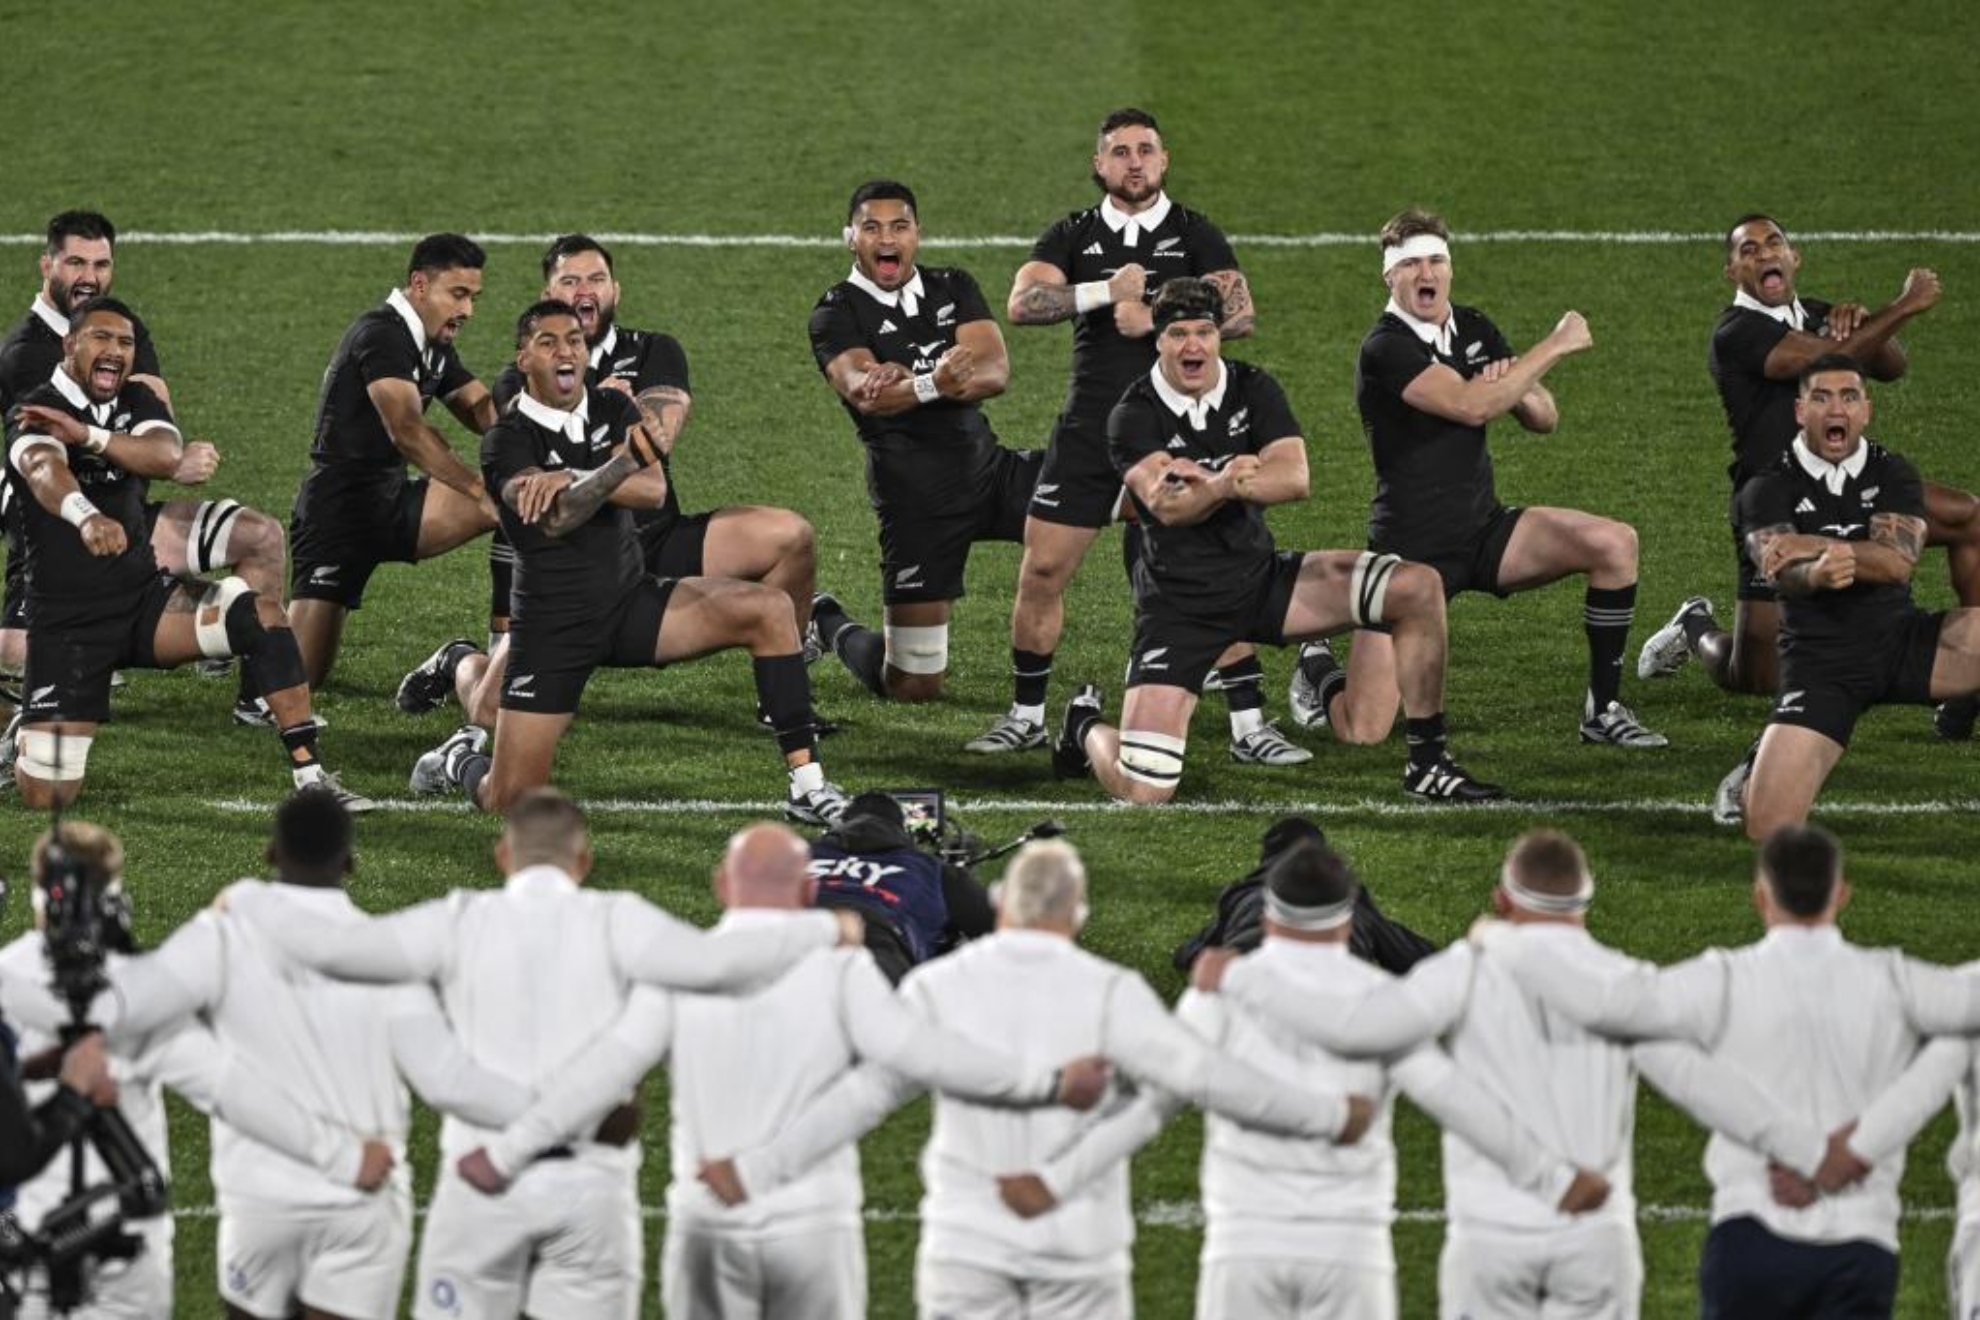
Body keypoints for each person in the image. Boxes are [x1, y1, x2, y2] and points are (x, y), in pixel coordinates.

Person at [230, 795, 867, 1320]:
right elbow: (718, 965)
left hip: (479, 1183)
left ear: (503, 855)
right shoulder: (621, 920)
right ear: (584, 860)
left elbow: (337, 952)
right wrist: (825, 928)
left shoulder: (458, 919)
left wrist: (250, 900)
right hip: (592, 1186)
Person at [454, 819, 1109, 1320]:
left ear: (719, 886)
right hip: (812, 1224)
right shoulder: (846, 969)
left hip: (707, 1220)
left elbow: (601, 1074)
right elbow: (917, 1058)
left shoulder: (682, 970)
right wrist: (1049, 1082)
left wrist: (509, 1151)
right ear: (804, 890)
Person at [698, 838, 1376, 1320]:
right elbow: (1198, 1077)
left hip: (966, 1243)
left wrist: (760, 1168)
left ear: (1000, 902)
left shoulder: (938, 986)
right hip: (1079, 1253)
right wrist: (1324, 1116)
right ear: (1077, 914)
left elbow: (866, 1094)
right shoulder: (1113, 991)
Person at [1200, 828, 1837, 1320]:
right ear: (1585, 903)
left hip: (1490, 1236)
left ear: (1502, 899)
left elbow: (1357, 1030)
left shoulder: (1461, 972)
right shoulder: (1620, 981)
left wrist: (1239, 981)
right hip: (1596, 1236)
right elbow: (1696, 1081)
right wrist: (1804, 1150)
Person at [997, 838, 1611, 1320]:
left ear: (1266, 914)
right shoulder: (1381, 999)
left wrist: (1056, 1179)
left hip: (1245, 1243)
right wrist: (1551, 1177)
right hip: (1350, 1249)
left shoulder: (1217, 996)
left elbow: (1152, 1104)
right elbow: (1450, 1095)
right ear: (1350, 921)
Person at [0, 793, 530, 1320]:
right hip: (353, 1206)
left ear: (272, 853)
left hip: (254, 1201)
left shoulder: (219, 941)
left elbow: (123, 1010)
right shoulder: (386, 955)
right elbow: (448, 1082)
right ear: (350, 863)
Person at [1473, 824, 1980, 1320]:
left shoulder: (1724, 980)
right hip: (1860, 1244)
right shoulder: (1894, 981)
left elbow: (1610, 1002)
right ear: (1841, 894)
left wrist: (1504, 942)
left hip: (1749, 1238)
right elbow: (1957, 1033)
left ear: (1761, 896)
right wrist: (1852, 1151)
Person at [1055, 277, 1503, 804]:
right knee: (1145, 788)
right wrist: (1228, 480)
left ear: (1220, 335)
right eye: (1178, 334)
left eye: (1204, 331)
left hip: (1261, 581)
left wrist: (1209, 483)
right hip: (1181, 612)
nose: (1193, 346)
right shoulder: (1132, 414)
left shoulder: (1253, 387)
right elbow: (1168, 506)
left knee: (1419, 586)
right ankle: (1085, 728)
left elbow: (1294, 477)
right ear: (1157, 339)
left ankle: (1428, 762)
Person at [405, 300, 847, 822]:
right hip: (553, 630)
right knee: (511, 801)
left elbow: (651, 489)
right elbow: (556, 519)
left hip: (630, 603)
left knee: (771, 610)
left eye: (573, 340)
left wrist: (574, 476)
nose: (566, 350)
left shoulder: (613, 407)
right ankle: (460, 762)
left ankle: (808, 788)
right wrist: (605, 470)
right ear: (523, 359)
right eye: (548, 342)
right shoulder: (507, 440)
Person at [399, 232, 827, 732]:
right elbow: (529, 465)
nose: (585, 291)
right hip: (573, 569)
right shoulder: (519, 375)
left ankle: (784, 701)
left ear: (615, 291)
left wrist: (590, 437)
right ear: (548, 297)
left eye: (596, 280)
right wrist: (606, 409)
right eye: (571, 281)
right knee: (494, 711)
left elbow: (656, 437)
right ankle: (459, 662)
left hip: (657, 537)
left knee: (791, 537)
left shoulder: (654, 350)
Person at [985, 107, 1305, 766]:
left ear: (1163, 161)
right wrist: (1104, 292)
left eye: (1146, 150)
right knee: (1042, 569)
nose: (1135, 162)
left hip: (1178, 432)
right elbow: (1022, 304)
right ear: (1099, 165)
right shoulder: (1074, 233)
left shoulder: (1194, 231)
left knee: (1209, 570)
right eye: (1120, 151)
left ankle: (1249, 724)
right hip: (1088, 434)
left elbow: (1239, 314)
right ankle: (1024, 716)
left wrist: (1155, 312)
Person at [1288, 208, 1666, 751]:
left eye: (1437, 261)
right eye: (1412, 264)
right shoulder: (1385, 348)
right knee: (1363, 730)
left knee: (1614, 543)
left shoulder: (1473, 325)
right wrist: (1555, 344)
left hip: (1484, 531)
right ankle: (1317, 661)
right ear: (1389, 277)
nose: (1427, 274)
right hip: (1409, 555)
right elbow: (1469, 407)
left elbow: (1543, 417)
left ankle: (1602, 710)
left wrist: (1514, 382)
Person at [2, 296, 364, 809]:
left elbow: (163, 455)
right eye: (100, 338)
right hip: (68, 626)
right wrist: (85, 516)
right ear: (69, 344)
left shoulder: (135, 401)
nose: (115, 351)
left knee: (260, 615)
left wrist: (87, 435)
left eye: (124, 343)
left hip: (142, 600)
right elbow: (43, 470)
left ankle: (312, 779)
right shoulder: (36, 409)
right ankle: (20, 733)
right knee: (48, 796)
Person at [1637, 216, 1980, 738]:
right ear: (1732, 270)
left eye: (1773, 243)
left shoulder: (1818, 314)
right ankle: (1695, 624)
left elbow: (1890, 366)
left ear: (1795, 258)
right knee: (1753, 677)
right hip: (1778, 506)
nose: (1763, 253)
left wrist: (1864, 319)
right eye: (1747, 250)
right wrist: (1904, 304)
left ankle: (1968, 688)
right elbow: (1829, 360)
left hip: (1859, 488)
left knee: (1971, 518)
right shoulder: (1736, 332)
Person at [0, 210, 291, 734]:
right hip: (54, 539)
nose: (89, 275)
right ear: (47, 265)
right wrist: (153, 455)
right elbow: (58, 465)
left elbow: (157, 414)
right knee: (18, 654)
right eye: (75, 262)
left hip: (128, 512)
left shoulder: (117, 329)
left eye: (101, 263)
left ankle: (255, 695)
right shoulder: (26, 354)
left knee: (261, 536)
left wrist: (160, 452)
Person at [803, 179, 1043, 712]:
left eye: (899, 226)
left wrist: (911, 383)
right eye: (871, 227)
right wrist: (935, 381)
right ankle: (827, 620)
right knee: (913, 683)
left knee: (1123, 495)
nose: (886, 238)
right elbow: (869, 396)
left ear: (917, 234)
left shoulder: (953, 285)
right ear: (851, 239)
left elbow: (995, 370)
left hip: (991, 472)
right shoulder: (834, 313)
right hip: (916, 503)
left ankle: (1193, 651)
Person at [1721, 355, 1980, 838]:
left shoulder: (1893, 472)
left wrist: (1823, 546)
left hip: (1905, 643)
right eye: (1821, 397)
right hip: (1822, 667)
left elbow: (1897, 560)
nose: (1835, 409)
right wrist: (1815, 574)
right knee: (1767, 826)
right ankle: (1762, 757)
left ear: (1866, 410)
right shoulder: (1765, 488)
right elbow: (1782, 570)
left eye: (1848, 397)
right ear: (1801, 411)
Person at [285, 233, 499, 690]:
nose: (468, 311)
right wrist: (475, 487)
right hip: (338, 513)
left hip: (393, 501)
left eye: (473, 297)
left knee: (518, 504)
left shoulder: (432, 340)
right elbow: (406, 431)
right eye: (458, 295)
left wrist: (536, 423)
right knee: (296, 682)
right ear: (420, 285)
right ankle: (232, 627)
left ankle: (499, 658)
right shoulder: (381, 334)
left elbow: (478, 408)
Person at [1170, 814, 1437, 977]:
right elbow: (1415, 957)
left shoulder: (1245, 893)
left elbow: (1188, 954)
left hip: (1253, 978)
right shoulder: (1343, 895)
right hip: (1337, 986)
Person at [806, 789, 996, 984]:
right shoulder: (933, 869)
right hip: (876, 947)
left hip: (801, 929)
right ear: (901, 830)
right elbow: (1003, 930)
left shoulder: (800, 856)